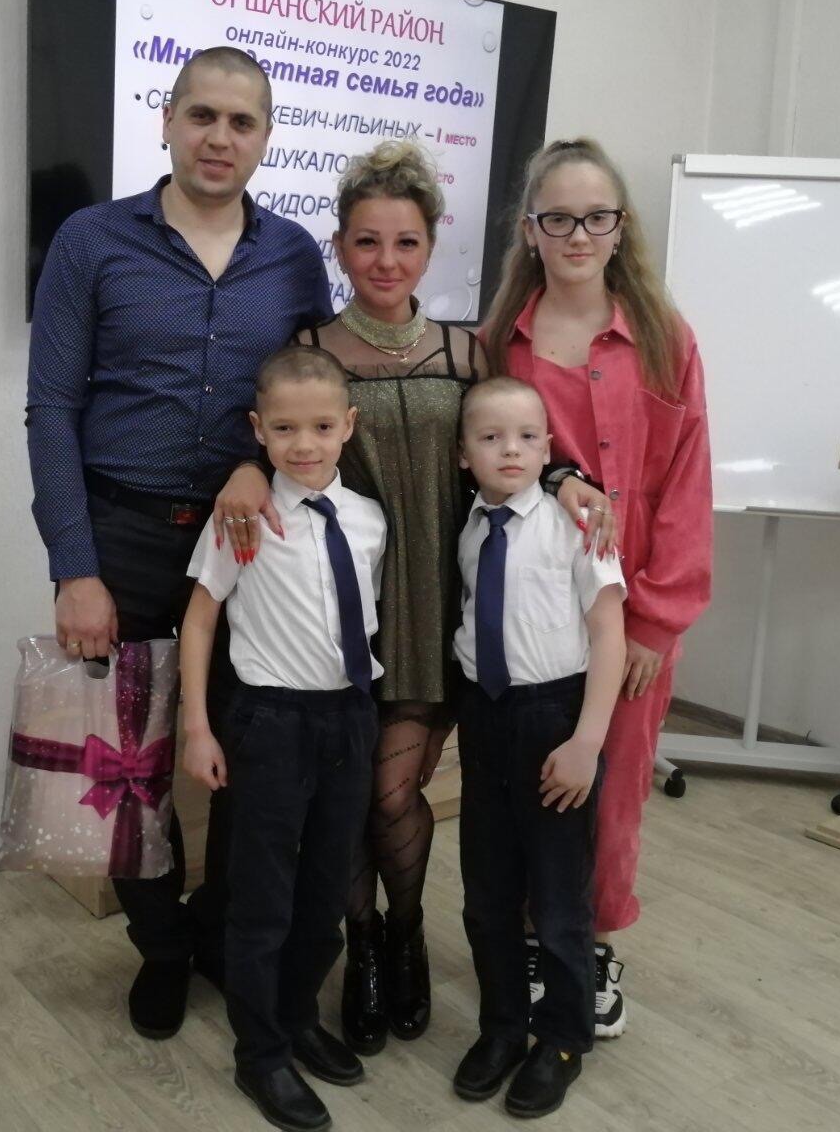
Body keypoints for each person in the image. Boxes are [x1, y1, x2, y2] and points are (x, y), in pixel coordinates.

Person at [24, 45, 333, 1040]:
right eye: (202, 115)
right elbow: (51, 406)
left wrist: (258, 466)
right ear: (166, 120)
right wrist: (75, 567)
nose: (219, 137)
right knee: (122, 770)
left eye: (242, 122)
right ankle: (160, 947)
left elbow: (309, 400)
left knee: (254, 755)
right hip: (121, 537)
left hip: (248, 545)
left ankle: (217, 932)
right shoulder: (91, 241)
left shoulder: (295, 257)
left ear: (265, 138)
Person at [480, 137, 712, 1038]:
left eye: (597, 217)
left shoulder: (664, 338)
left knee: (612, 790)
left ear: (621, 228)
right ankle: (537, 935)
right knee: (535, 776)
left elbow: (687, 483)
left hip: (635, 602)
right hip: (533, 600)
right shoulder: (501, 342)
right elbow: (489, 466)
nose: (579, 234)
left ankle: (596, 940)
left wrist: (655, 619)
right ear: (531, 230)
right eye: (560, 218)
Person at [294, 140, 482, 1052]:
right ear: (339, 246)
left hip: (433, 606)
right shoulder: (307, 353)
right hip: (339, 613)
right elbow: (277, 460)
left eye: (405, 242)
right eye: (367, 241)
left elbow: (508, 460)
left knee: (393, 792)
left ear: (430, 247)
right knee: (347, 799)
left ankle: (402, 934)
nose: (386, 260)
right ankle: (362, 945)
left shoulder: (465, 351)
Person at [180, 346, 385, 1132]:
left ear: (348, 426)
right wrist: (198, 727)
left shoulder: (367, 519)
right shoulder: (244, 516)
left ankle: (298, 1017)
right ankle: (259, 1052)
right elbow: (201, 620)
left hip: (348, 718)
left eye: (323, 427)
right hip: (271, 724)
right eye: (286, 428)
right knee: (263, 900)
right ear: (258, 430)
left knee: (325, 891)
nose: (306, 444)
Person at [449, 376, 626, 1118]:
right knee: (487, 893)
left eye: (527, 437)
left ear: (550, 448)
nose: (510, 451)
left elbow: (609, 635)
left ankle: (562, 1038)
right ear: (464, 455)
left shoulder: (577, 522)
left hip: (554, 719)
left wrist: (587, 741)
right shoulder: (469, 526)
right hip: (484, 718)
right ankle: (501, 1026)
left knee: (557, 899)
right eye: (490, 438)